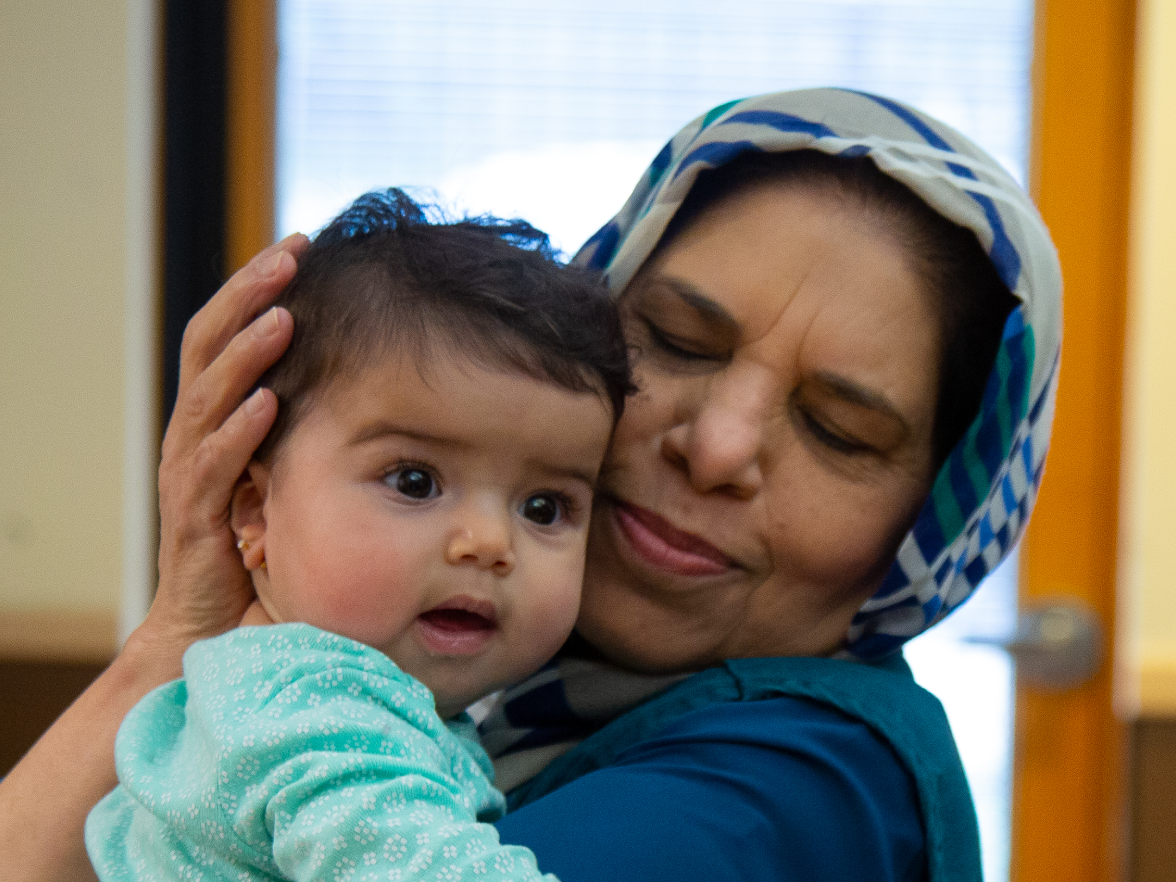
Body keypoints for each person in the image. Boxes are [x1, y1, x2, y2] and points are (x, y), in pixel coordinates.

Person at [0, 88, 1062, 882]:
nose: (719, 446)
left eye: (837, 429)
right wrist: (180, 633)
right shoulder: (449, 696)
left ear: (930, 524)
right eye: (676, 339)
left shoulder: (779, 791)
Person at [83, 189, 631, 881]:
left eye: (546, 508)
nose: (490, 542)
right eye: (413, 482)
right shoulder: (312, 708)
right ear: (254, 511)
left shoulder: (292, 688)